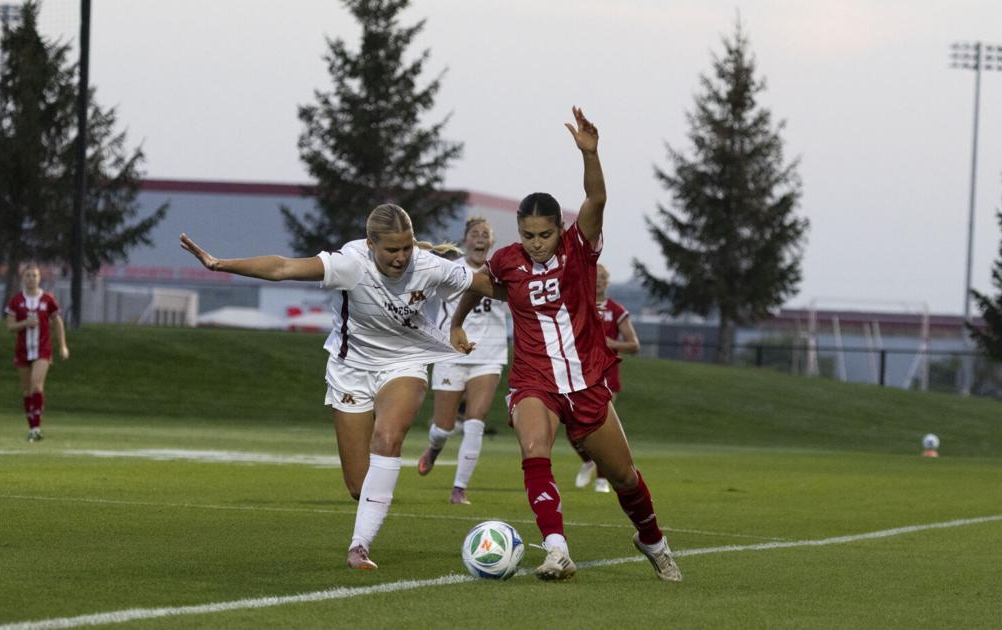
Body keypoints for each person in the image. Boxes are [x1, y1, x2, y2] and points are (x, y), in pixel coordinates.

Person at [180, 204, 492, 571]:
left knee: (388, 437)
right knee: (359, 487)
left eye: (407, 247)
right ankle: (369, 513)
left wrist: (529, 298)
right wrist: (220, 264)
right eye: (392, 249)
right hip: (351, 369)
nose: (402, 257)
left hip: (404, 363)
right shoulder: (350, 263)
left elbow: (483, 284)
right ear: (371, 244)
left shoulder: (428, 265)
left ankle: (359, 547)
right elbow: (283, 268)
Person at [450, 107, 682, 582]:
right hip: (534, 379)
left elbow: (597, 198)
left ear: (560, 229)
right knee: (534, 449)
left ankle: (652, 540)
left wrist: (590, 154)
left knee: (624, 477)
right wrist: (457, 323)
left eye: (545, 234)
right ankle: (556, 550)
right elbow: (478, 285)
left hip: (586, 381)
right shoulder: (506, 261)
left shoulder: (579, 248)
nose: (537, 243)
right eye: (528, 235)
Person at [417, 217, 509, 505]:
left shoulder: (501, 271)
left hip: (489, 354)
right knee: (443, 428)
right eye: (475, 233)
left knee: (475, 422)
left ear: (491, 242)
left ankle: (459, 489)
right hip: (451, 351)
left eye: (485, 234)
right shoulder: (451, 269)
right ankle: (434, 447)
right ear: (466, 239)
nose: (480, 238)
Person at [572, 263, 640, 492]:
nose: (599, 281)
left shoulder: (616, 310)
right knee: (573, 427)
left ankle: (602, 480)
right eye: (595, 276)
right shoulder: (579, 305)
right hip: (578, 374)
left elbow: (634, 345)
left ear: (607, 282)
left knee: (601, 426)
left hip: (607, 375)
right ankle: (588, 461)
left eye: (603, 277)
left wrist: (612, 343)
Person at [4, 264, 69, 442]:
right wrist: (25, 323)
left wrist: (63, 346)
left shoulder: (47, 299)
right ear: (22, 278)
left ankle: (37, 427)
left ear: (39, 278)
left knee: (36, 386)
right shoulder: (16, 300)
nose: (31, 278)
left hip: (43, 349)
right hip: (23, 350)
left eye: (34, 275)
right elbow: (10, 326)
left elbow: (58, 322)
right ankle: (32, 429)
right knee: (27, 391)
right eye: (28, 275)